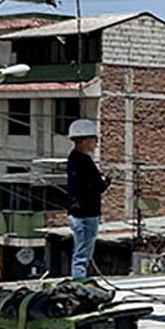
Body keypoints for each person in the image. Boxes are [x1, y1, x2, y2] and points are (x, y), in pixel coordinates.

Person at [66, 119, 109, 278]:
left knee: (81, 253)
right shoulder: (84, 161)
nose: (96, 143)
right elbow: (97, 187)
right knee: (82, 255)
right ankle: (79, 284)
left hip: (77, 214)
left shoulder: (73, 158)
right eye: (94, 139)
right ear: (84, 140)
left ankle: (80, 279)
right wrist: (106, 181)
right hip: (86, 215)